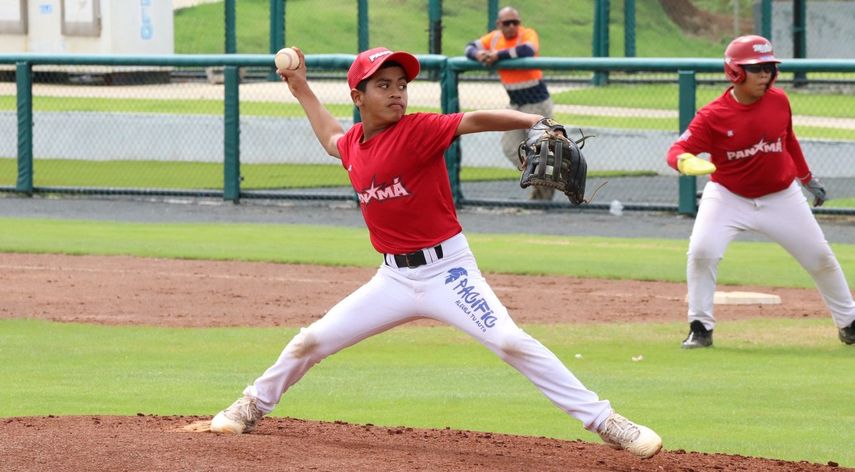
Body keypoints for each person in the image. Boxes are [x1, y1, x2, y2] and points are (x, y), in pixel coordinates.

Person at [210, 45, 662, 459]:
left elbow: (474, 120)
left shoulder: (418, 130)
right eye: (383, 85)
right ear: (358, 97)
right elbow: (332, 139)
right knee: (311, 340)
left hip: (449, 273)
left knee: (509, 340)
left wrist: (533, 122)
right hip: (392, 279)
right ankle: (252, 404)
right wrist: (301, 88)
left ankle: (607, 421)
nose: (397, 93)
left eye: (402, 85)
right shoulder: (354, 145)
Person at [666, 35, 855, 349]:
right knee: (702, 251)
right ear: (734, 72)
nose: (765, 74)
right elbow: (677, 149)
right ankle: (700, 327)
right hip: (728, 195)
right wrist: (684, 162)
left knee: (821, 258)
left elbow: (789, 140)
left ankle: (849, 323)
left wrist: (807, 178)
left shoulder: (779, 101)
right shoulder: (713, 115)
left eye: (769, 67)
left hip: (782, 195)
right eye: (756, 68)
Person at [465, 6, 555, 201]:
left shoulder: (527, 34)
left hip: (537, 101)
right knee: (510, 147)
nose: (512, 26)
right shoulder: (495, 38)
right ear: (499, 24)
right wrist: (479, 55)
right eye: (507, 23)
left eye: (515, 22)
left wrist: (497, 55)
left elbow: (528, 50)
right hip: (515, 103)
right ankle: (539, 181)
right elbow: (469, 47)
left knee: (541, 149)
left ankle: (542, 201)